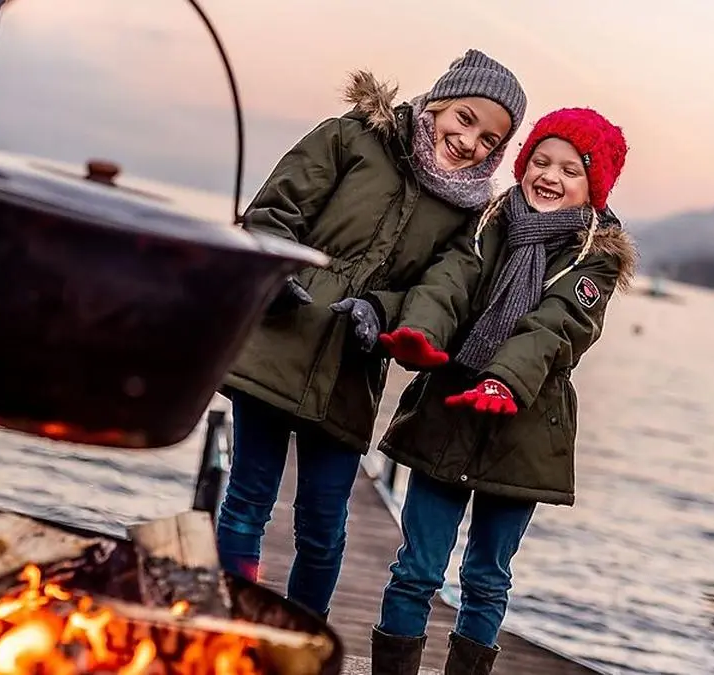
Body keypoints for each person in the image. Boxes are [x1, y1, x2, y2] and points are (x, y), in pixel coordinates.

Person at [217, 50, 529, 619]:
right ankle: (228, 627)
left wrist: (382, 313)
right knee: (246, 504)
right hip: (278, 343)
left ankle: (303, 637)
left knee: (324, 527)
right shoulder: (352, 138)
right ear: (437, 104)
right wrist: (279, 269)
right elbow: (275, 207)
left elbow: (439, 294)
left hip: (350, 372)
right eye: (465, 119)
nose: (471, 143)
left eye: (490, 140)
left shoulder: (467, 216)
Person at [370, 108, 637, 675]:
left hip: (525, 430)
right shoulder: (488, 221)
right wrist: (422, 329)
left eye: (570, 169)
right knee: (416, 567)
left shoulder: (596, 259)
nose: (550, 175)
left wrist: (505, 378)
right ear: (523, 164)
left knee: (487, 579)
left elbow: (557, 325)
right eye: (541, 160)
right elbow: (450, 280)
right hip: (449, 412)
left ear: (594, 187)